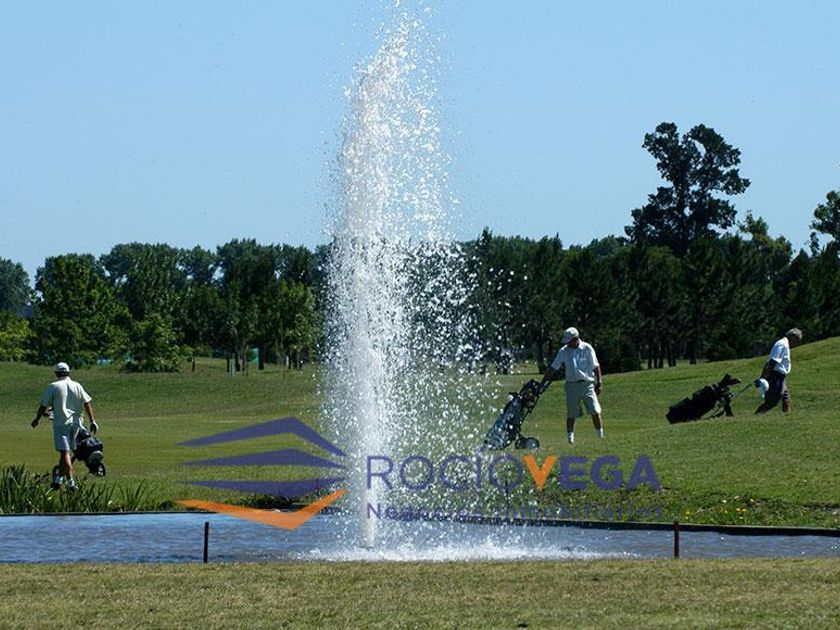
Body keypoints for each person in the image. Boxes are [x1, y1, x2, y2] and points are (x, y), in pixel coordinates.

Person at [31, 362, 99, 490]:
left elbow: (43, 406)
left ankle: (71, 483)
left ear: (56, 373)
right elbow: (87, 403)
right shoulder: (77, 385)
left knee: (65, 452)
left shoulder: (53, 386)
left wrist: (37, 419)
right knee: (65, 453)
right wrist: (92, 421)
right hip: (76, 424)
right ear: (68, 372)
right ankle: (58, 479)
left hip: (61, 424)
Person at [541, 327, 604, 444]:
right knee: (571, 413)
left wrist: (599, 382)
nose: (567, 343)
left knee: (595, 410)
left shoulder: (587, 348)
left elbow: (595, 366)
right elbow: (553, 368)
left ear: (575, 339)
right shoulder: (563, 351)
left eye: (569, 341)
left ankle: (600, 436)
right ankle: (570, 439)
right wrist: (542, 383)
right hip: (571, 385)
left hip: (587, 385)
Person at [756, 328, 802, 414]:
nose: (797, 343)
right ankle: (757, 415)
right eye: (797, 340)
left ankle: (788, 416)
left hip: (781, 375)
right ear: (792, 337)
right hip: (775, 375)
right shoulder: (782, 344)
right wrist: (763, 377)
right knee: (773, 401)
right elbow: (772, 361)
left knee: (785, 397)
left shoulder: (785, 344)